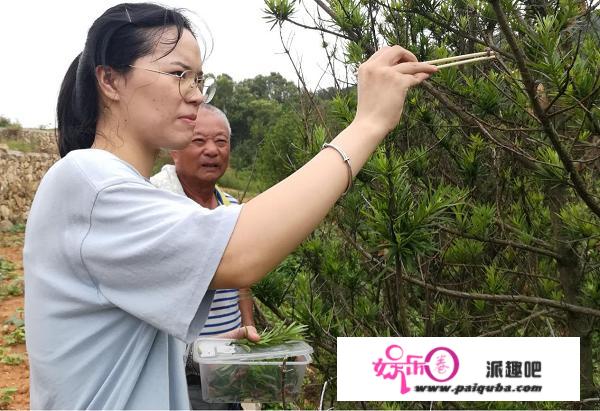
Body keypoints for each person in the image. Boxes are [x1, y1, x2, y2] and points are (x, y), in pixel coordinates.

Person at [23, 2, 437, 409]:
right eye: (178, 74)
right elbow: (239, 252)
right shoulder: (92, 183)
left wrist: (199, 350)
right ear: (110, 81)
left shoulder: (113, 187)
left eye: (199, 78)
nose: (196, 95)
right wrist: (367, 123)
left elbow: (112, 347)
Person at [150, 104, 258, 410]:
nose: (212, 150)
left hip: (229, 362)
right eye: (199, 141)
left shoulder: (231, 206)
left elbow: (242, 280)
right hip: (181, 371)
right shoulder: (156, 204)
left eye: (221, 142)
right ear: (174, 150)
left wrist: (248, 327)